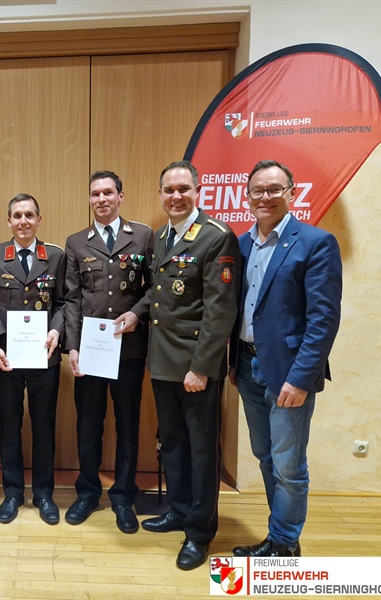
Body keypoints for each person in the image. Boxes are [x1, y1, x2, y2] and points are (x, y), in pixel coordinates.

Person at [229, 159, 342, 558]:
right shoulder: (241, 244)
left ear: (292, 193)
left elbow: (323, 320)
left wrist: (301, 378)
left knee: (289, 465)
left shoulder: (315, 242)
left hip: (288, 373)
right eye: (258, 190)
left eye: (275, 189)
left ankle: (285, 543)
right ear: (247, 197)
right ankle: (277, 536)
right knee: (265, 456)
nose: (266, 197)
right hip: (246, 365)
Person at [140, 161, 239, 571]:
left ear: (197, 190)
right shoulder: (162, 238)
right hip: (164, 362)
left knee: (202, 451)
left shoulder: (216, 238)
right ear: (161, 194)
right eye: (168, 190)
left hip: (196, 368)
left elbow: (220, 312)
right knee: (174, 444)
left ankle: (200, 532)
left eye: (183, 189)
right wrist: (134, 314)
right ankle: (179, 511)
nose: (176, 196)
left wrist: (201, 368)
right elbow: (160, 297)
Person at [63, 171, 153, 534]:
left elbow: (155, 286)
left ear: (120, 196)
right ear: (89, 200)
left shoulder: (143, 236)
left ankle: (123, 497)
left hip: (128, 348)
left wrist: (138, 312)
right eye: (95, 194)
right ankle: (87, 493)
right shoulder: (76, 242)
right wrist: (72, 346)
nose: (101, 199)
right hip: (90, 349)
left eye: (108, 193)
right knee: (88, 424)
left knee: (128, 425)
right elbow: (71, 298)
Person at [0, 193, 65, 525]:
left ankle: (43, 494)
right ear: (9, 221)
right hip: (6, 359)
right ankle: (13, 493)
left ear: (39, 220)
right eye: (17, 215)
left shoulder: (55, 256)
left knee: (44, 426)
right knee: (9, 426)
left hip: (45, 356)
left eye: (30, 215)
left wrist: (57, 331)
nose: (24, 221)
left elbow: (64, 302)